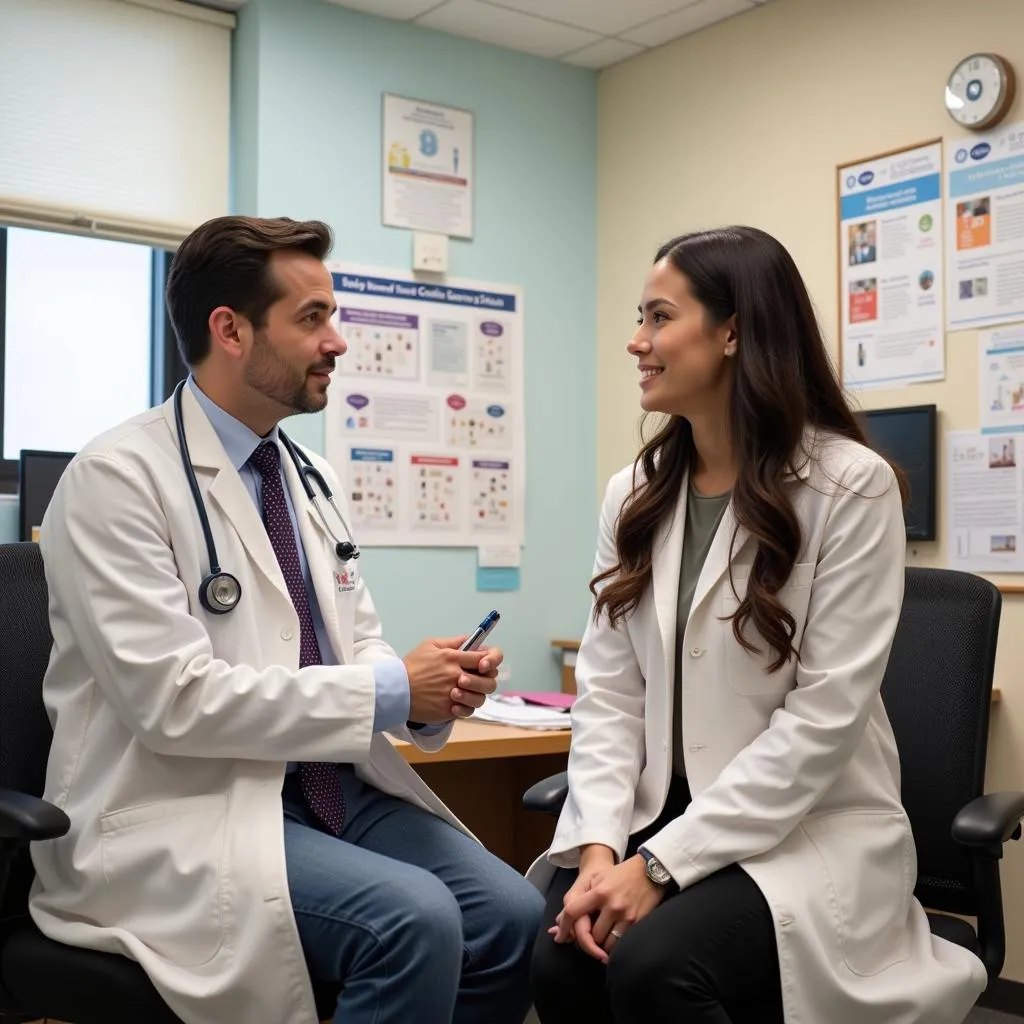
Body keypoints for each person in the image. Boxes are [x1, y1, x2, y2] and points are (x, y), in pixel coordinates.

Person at [30, 215, 543, 1024]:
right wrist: (385, 688)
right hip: (188, 805)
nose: (338, 342)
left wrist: (421, 689)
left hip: (326, 787)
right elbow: (175, 701)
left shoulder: (308, 477)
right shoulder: (117, 481)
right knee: (413, 921)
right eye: (313, 319)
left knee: (512, 918)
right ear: (229, 330)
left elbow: (355, 638)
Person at [528, 226, 987, 1024]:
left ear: (734, 330)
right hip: (654, 821)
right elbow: (608, 696)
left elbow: (821, 724)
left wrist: (660, 867)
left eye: (660, 317)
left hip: (805, 832)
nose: (637, 341)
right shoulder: (634, 491)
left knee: (653, 969)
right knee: (561, 962)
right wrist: (600, 852)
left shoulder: (850, 486)